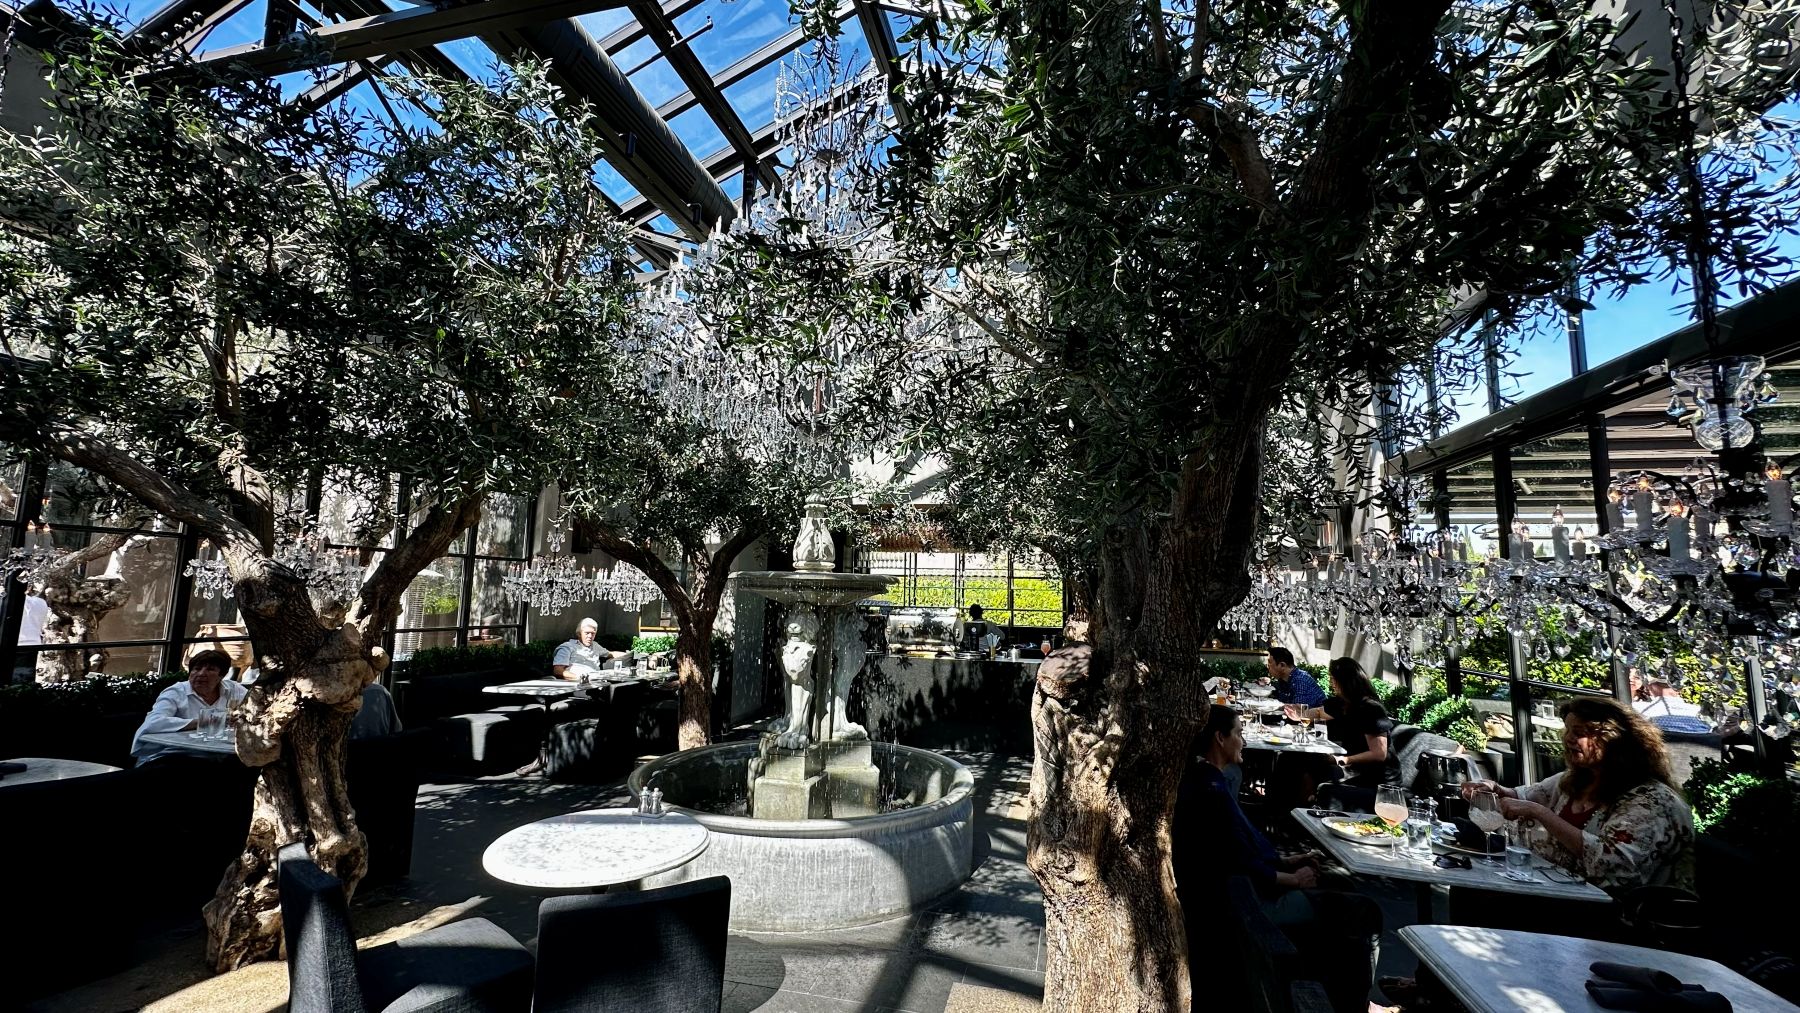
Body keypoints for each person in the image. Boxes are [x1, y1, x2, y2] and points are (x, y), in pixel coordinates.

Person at [1175, 705, 1383, 1013]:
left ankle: (1352, 995)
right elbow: (1231, 860)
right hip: (1253, 904)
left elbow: (1239, 845)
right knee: (1365, 910)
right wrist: (1290, 878)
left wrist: (1286, 862)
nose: (1243, 741)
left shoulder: (1206, 780)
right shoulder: (1211, 789)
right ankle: (1358, 1003)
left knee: (1341, 886)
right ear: (1220, 738)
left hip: (1250, 888)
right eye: (1239, 733)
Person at [1462, 696, 1695, 897]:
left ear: (1614, 741)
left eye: (1580, 733)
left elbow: (1614, 866)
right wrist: (1493, 790)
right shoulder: (1576, 779)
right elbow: (1527, 796)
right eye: (1568, 731)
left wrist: (1541, 814)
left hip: (1619, 920)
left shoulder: (1651, 802)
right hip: (1559, 896)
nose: (1569, 739)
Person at [1288, 657, 1398, 791]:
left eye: (1333, 679)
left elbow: (1379, 754)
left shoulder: (1371, 708)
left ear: (1345, 682)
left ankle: (1309, 805)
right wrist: (1300, 715)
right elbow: (1319, 712)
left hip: (1375, 778)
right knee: (1292, 759)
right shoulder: (1345, 704)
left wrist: (1344, 760)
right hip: (1353, 767)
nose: (1331, 683)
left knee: (1308, 768)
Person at [130, 650, 249, 763]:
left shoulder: (234, 690)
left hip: (217, 755)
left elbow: (255, 711)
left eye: (210, 669)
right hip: (170, 755)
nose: (201, 673)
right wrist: (206, 721)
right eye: (196, 669)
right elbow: (153, 722)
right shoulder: (176, 692)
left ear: (221, 676)